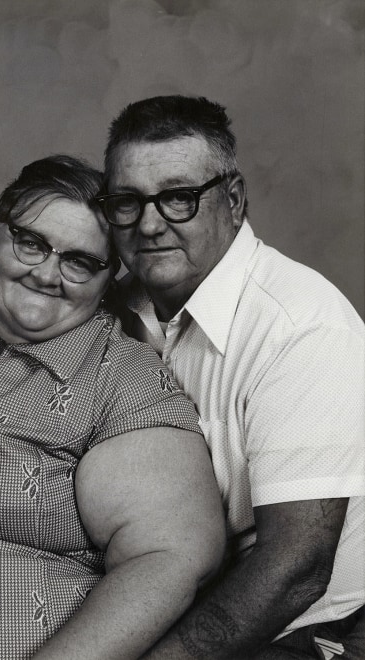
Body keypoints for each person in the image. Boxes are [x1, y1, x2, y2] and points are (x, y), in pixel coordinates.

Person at [0, 154, 225, 660]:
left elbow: (167, 559)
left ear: (108, 276)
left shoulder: (124, 381)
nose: (49, 274)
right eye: (31, 242)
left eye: (80, 261)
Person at [94, 96, 365, 659]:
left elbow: (297, 569)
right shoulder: (110, 308)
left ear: (233, 200)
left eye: (178, 198)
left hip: (309, 626)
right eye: (127, 201)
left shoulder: (299, 327)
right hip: (167, 592)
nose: (148, 224)